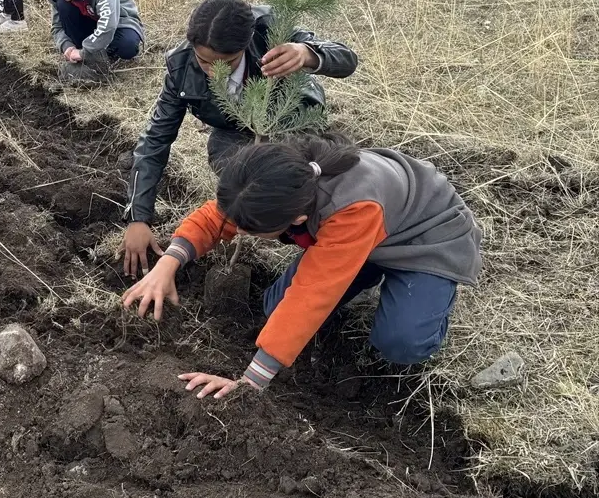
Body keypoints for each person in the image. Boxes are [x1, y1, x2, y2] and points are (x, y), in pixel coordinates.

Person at [121, 135, 482, 399]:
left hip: (424, 239)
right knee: (274, 308)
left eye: (250, 230)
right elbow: (219, 217)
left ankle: (425, 303)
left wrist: (249, 384)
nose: (238, 232)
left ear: (297, 218)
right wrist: (166, 265)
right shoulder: (277, 177)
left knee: (400, 343)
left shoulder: (352, 208)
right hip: (364, 235)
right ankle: (364, 266)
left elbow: (313, 294)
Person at [120, 0, 358, 276]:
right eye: (205, 62)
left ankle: (309, 234)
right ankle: (260, 222)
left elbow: (347, 58)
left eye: (227, 62)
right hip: (234, 132)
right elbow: (156, 138)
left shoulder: (271, 30)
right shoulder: (181, 66)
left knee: (296, 180)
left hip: (292, 122)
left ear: (245, 45)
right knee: (235, 170)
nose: (214, 73)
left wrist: (308, 54)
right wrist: (138, 217)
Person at [42, 0, 143, 85]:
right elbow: (57, 27)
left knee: (128, 46)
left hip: (120, 25)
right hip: (92, 28)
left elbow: (109, 25)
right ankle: (92, 59)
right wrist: (67, 47)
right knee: (63, 6)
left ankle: (95, 58)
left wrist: (85, 52)